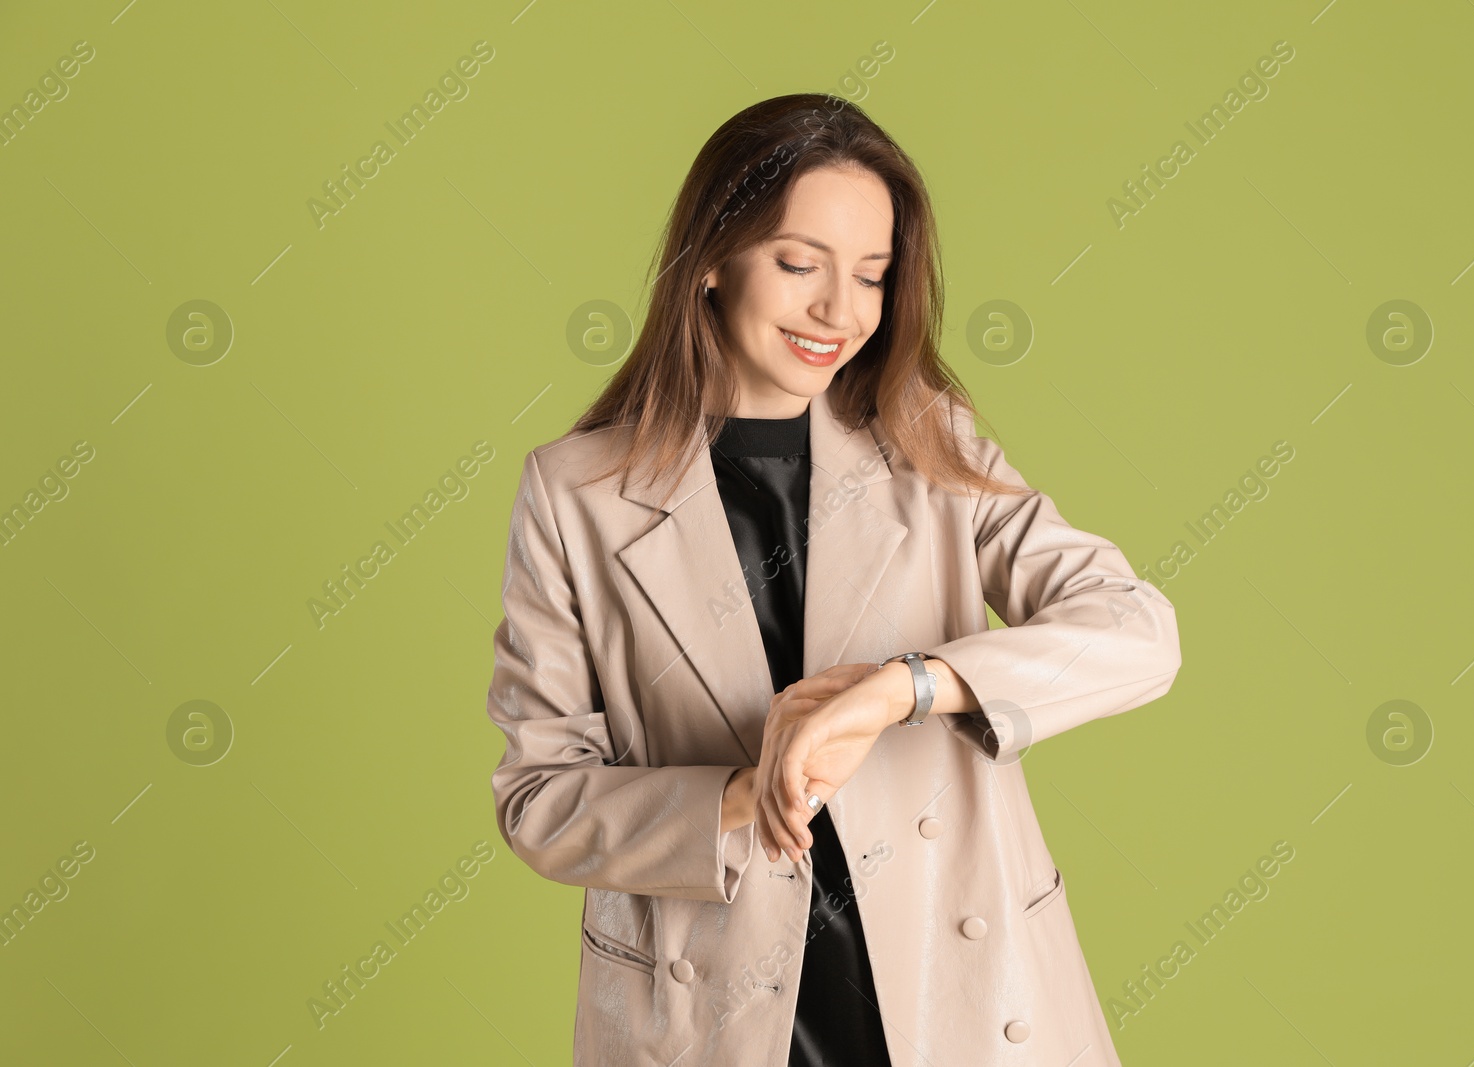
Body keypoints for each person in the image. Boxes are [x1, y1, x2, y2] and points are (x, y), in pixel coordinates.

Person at [484, 92, 1182, 1067]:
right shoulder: (577, 494)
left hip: (960, 1005)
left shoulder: (927, 438)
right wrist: (738, 794)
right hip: (708, 1017)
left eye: (871, 275)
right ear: (714, 257)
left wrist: (899, 688)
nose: (838, 312)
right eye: (799, 264)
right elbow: (540, 801)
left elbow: (1138, 631)